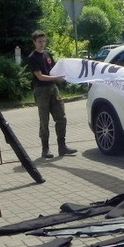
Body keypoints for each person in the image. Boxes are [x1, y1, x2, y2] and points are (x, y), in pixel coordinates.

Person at [26, 30, 76, 159]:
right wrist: (56, 77)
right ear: (34, 42)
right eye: (39, 41)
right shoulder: (32, 57)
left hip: (53, 89)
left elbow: (54, 71)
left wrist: (66, 76)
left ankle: (62, 146)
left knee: (61, 117)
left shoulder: (47, 54)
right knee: (44, 120)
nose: (42, 44)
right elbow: (40, 76)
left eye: (44, 41)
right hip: (41, 91)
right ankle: (45, 149)